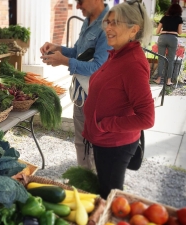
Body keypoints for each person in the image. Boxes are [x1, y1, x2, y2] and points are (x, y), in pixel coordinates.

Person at [82, 0, 155, 199]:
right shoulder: (117, 55)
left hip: (114, 144)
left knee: (110, 195)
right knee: (104, 187)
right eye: (108, 22)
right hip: (105, 139)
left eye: (116, 23)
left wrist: (105, 125)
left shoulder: (133, 64)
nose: (108, 28)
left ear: (134, 30)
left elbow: (147, 118)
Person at [39, 0, 111, 170]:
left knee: (95, 146)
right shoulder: (88, 20)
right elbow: (78, 52)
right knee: (81, 142)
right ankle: (85, 183)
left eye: (80, 1)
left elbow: (98, 68)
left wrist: (64, 62)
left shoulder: (108, 25)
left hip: (95, 99)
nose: (77, 6)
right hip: (80, 95)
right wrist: (59, 48)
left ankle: (95, 189)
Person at [153, 4, 183, 86]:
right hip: (173, 38)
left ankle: (158, 79)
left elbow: (157, 31)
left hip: (162, 38)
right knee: (171, 60)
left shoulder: (164, 18)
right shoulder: (179, 19)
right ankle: (168, 80)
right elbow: (180, 32)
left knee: (161, 59)